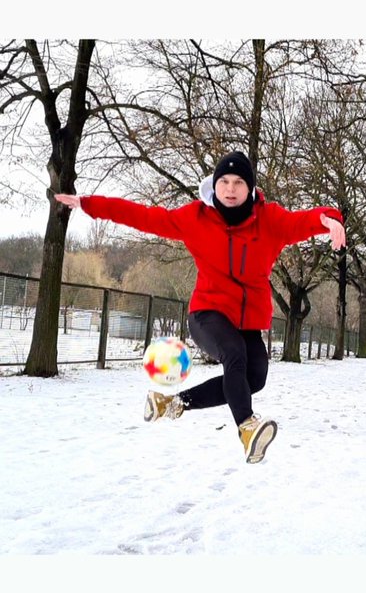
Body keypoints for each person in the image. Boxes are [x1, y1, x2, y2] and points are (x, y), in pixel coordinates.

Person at [55, 150, 345, 463]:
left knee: (255, 378)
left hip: (246, 321)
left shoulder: (270, 221)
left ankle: (172, 403)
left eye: (238, 183)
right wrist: (90, 204)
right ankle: (247, 428)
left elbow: (303, 221)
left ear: (250, 189)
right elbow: (143, 216)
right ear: (215, 185)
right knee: (234, 354)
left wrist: (330, 219)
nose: (230, 189)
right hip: (208, 314)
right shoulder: (195, 218)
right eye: (224, 182)